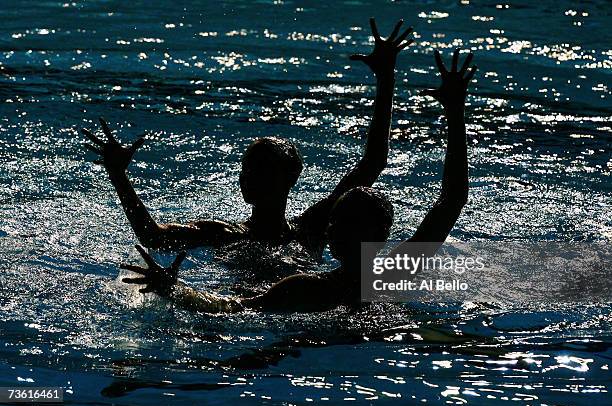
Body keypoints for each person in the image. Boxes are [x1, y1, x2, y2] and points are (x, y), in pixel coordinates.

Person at [120, 48, 477, 314]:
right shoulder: (395, 273)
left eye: (260, 171)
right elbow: (452, 200)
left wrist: (177, 291)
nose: (332, 229)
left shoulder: (310, 281)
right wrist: (455, 112)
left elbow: (236, 309)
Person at [82, 18, 414, 259]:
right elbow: (154, 238)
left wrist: (387, 79)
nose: (245, 178)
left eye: (258, 171)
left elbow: (373, 163)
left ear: (290, 179)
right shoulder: (222, 235)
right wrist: (118, 176)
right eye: (245, 169)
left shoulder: (314, 228)